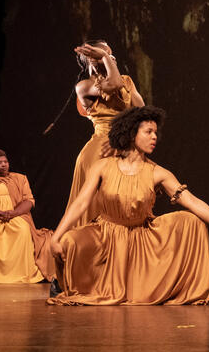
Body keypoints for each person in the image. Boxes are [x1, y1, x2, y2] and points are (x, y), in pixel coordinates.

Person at [48, 106, 209, 305]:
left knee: (191, 222)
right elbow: (80, 204)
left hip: (141, 241)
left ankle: (152, 283)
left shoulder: (158, 172)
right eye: (148, 132)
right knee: (70, 240)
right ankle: (70, 283)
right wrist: (57, 236)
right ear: (132, 134)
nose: (154, 137)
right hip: (105, 237)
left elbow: (191, 201)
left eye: (155, 132)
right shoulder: (103, 166)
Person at [54, 41, 144, 228]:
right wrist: (103, 57)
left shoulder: (126, 81)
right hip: (100, 150)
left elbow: (141, 110)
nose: (110, 57)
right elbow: (112, 84)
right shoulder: (84, 86)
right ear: (90, 59)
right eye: (102, 54)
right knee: (96, 210)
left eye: (111, 54)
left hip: (123, 145)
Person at [0, 150, 55, 283]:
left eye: (5, 162)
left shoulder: (20, 178)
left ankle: (19, 273)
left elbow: (29, 201)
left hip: (15, 213)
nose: (3, 165)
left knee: (22, 230)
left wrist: (14, 213)